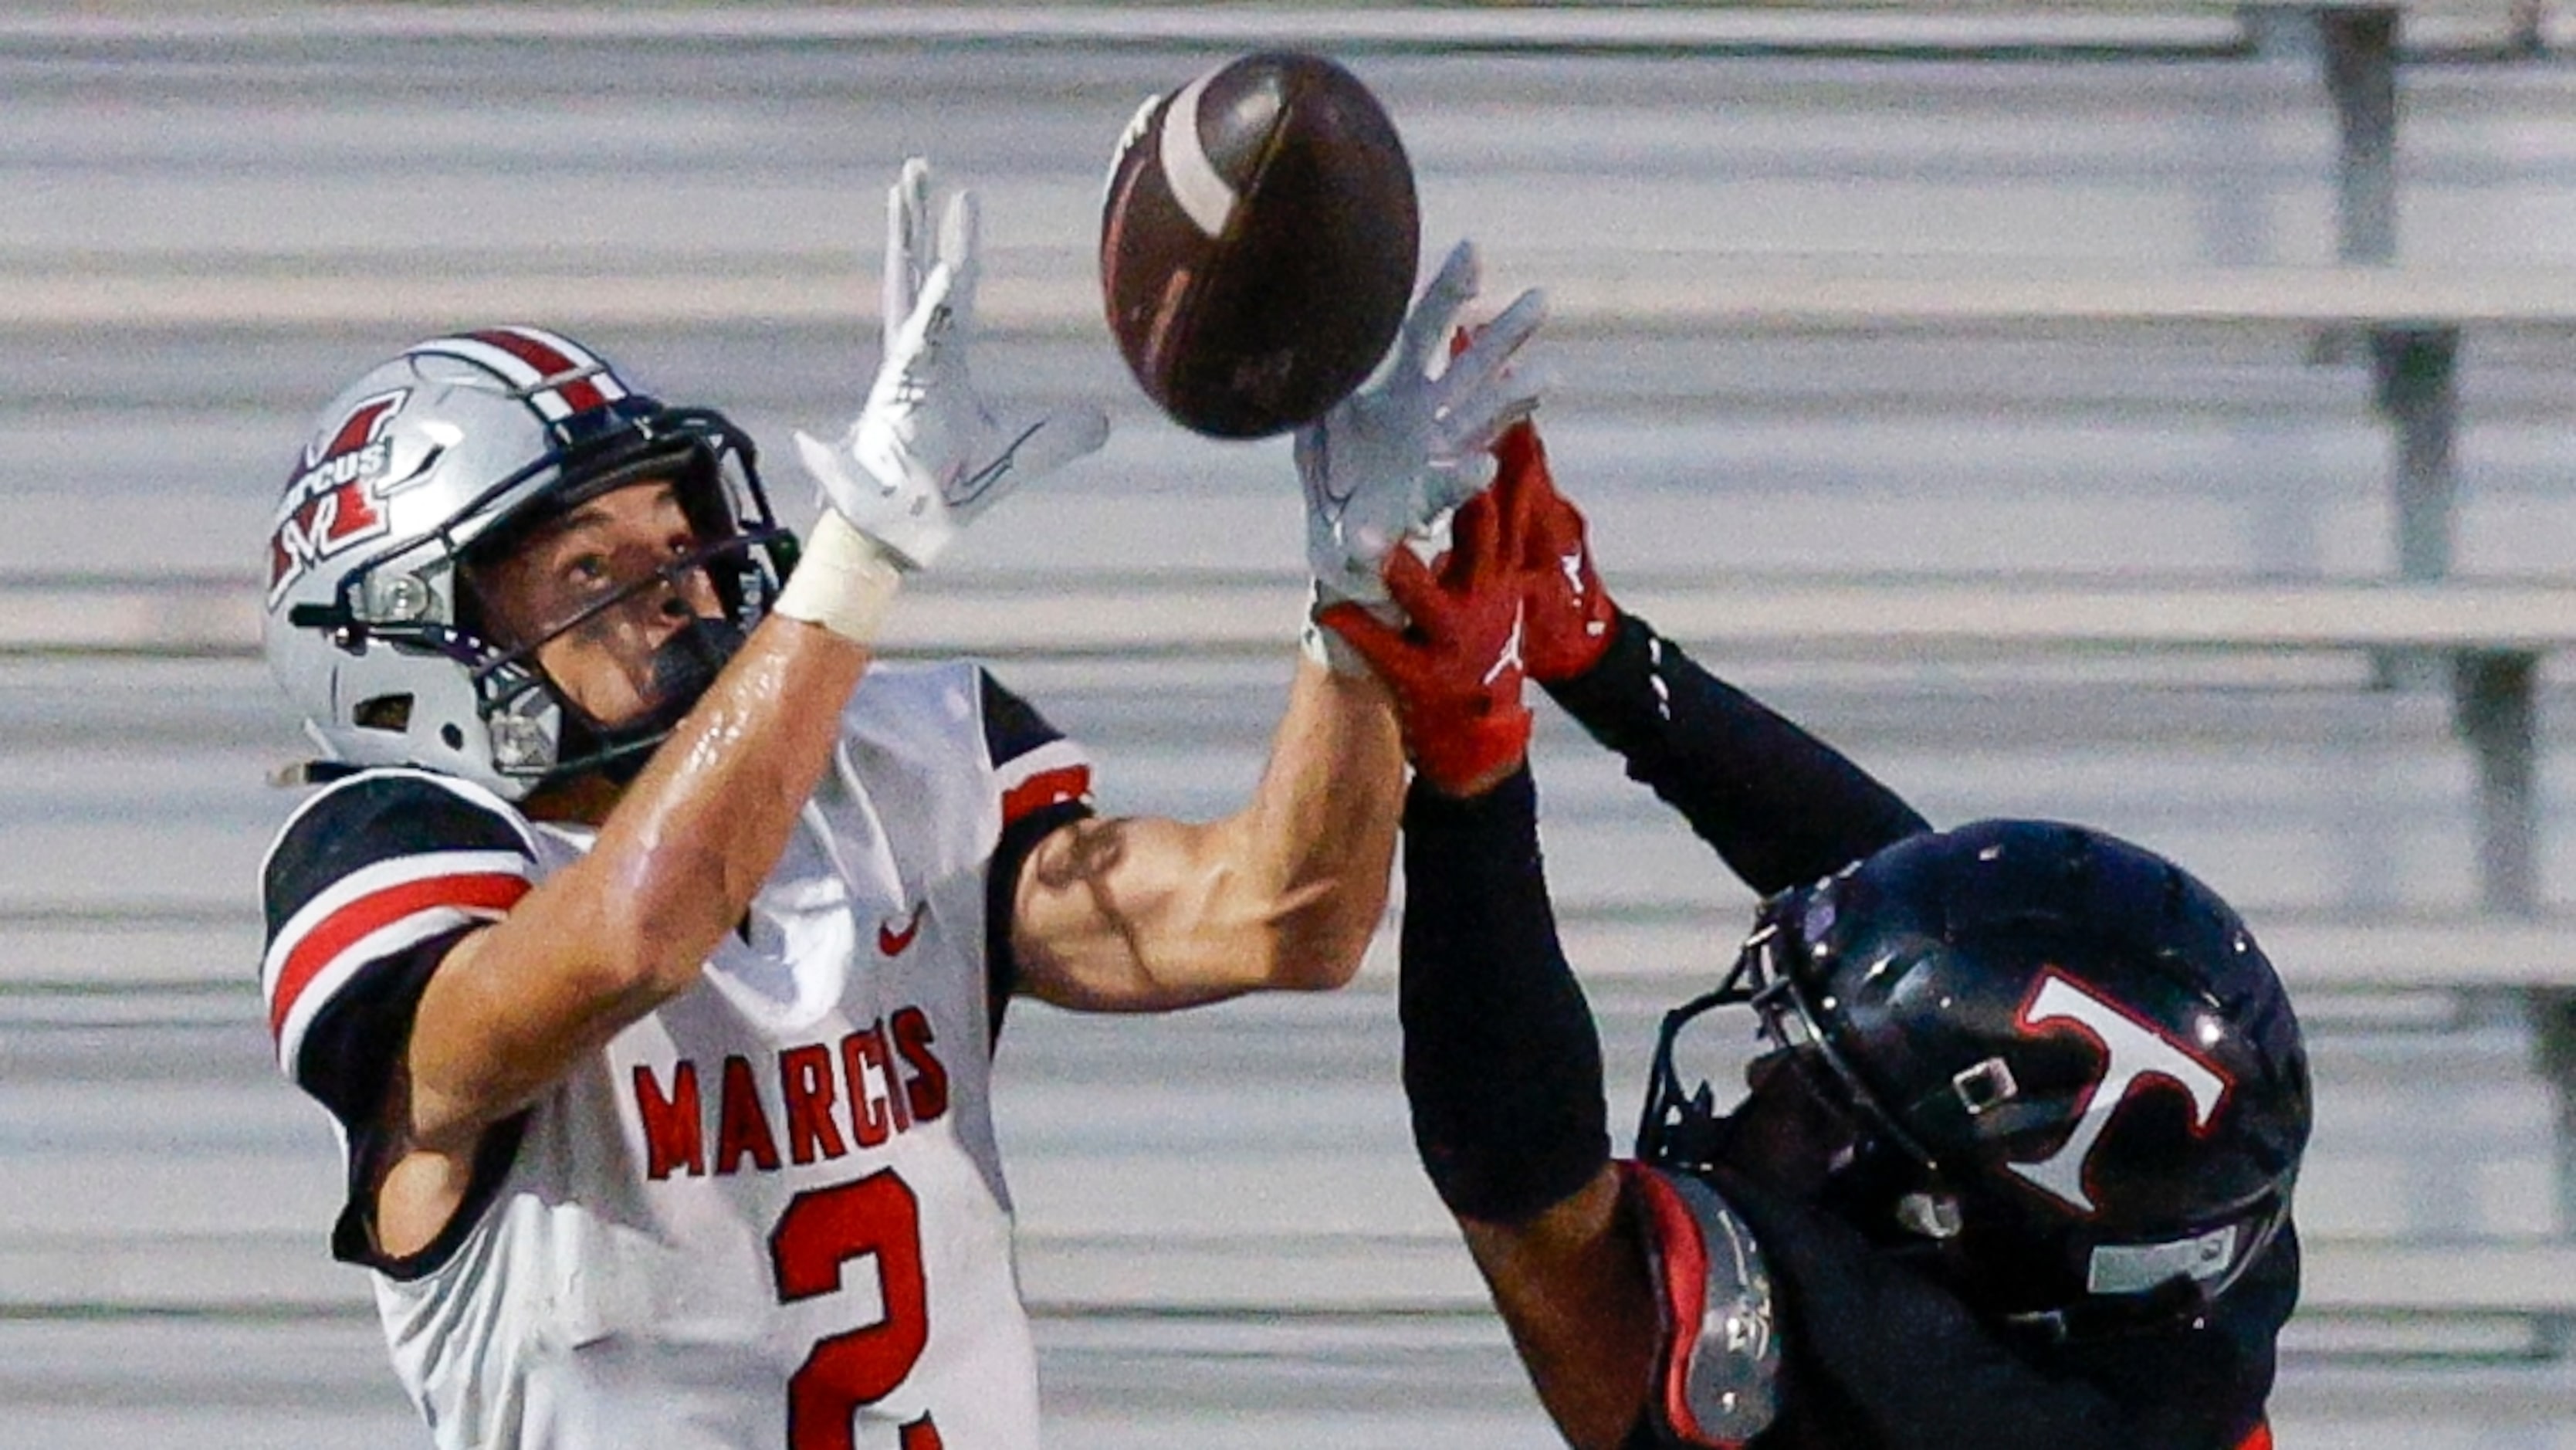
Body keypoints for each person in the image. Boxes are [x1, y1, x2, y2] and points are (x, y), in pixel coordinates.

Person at [254, 155, 1539, 1449]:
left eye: (671, 528)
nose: (678, 584)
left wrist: (1356, 606)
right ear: (409, 641)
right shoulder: (391, 855)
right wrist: (857, 556)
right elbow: (632, 936)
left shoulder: (889, 759)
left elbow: (1281, 913)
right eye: (589, 562)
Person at [1320, 422, 2314, 1450]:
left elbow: (1531, 1200)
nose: (1760, 1085)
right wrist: (1611, 661)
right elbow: (1936, 934)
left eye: (1817, 1106)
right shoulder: (2168, 1261)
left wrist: (1470, 781)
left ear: (1936, 1217)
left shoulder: (1909, 1409)